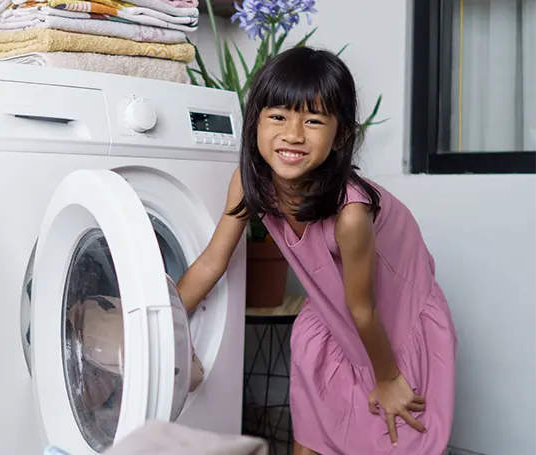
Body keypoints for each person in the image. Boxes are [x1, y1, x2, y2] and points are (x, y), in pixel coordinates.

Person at [176, 47, 457, 455]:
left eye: (313, 120)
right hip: (332, 308)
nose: (292, 134)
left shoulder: (351, 212)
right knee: (315, 425)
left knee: (394, 433)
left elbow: (364, 309)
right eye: (278, 117)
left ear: (340, 134)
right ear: (255, 122)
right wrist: (163, 316)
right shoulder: (248, 181)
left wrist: (387, 378)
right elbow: (211, 262)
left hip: (394, 313)